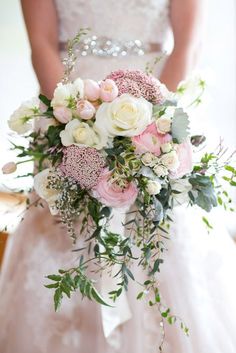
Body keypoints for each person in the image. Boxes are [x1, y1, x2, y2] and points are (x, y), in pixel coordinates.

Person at [1, 1, 236, 353]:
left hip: (159, 104)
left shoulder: (158, 114)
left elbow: (188, 44)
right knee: (67, 234)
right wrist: (73, 120)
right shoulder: (69, 115)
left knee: (162, 240)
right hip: (70, 107)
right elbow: (42, 43)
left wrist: (153, 123)